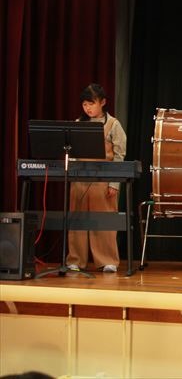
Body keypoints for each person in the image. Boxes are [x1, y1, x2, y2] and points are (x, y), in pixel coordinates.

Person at [66, 84, 126, 273]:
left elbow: (119, 155)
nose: (88, 108)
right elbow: (71, 150)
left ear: (103, 102)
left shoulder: (113, 124)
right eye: (85, 104)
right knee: (77, 219)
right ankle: (76, 259)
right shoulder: (78, 123)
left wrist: (114, 183)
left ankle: (107, 260)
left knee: (104, 220)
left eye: (91, 104)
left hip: (103, 179)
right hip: (80, 179)